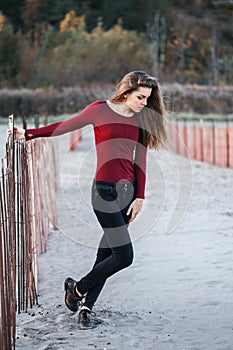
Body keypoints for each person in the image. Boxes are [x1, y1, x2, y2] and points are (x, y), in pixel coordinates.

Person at [9, 71, 166, 330]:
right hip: (103, 193)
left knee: (107, 254)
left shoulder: (142, 119)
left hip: (128, 194)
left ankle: (84, 308)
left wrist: (140, 197)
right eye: (140, 97)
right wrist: (27, 134)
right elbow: (63, 126)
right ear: (126, 92)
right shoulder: (99, 110)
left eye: (148, 99)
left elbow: (141, 160)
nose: (144, 103)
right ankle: (77, 289)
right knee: (124, 256)